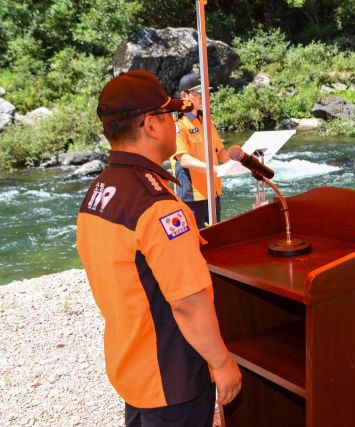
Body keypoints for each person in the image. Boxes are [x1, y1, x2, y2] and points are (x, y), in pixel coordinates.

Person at [76, 70, 242, 427]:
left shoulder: (99, 191)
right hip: (172, 375)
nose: (174, 122)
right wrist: (222, 363)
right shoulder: (158, 206)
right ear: (151, 126)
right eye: (168, 115)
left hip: (133, 364)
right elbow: (187, 302)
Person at [171, 73, 231, 228]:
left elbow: (220, 152)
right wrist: (215, 169)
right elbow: (184, 159)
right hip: (192, 196)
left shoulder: (206, 121)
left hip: (213, 192)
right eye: (198, 93)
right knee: (194, 238)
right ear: (184, 96)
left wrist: (243, 160)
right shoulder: (178, 125)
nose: (203, 97)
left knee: (214, 236)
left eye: (205, 93)